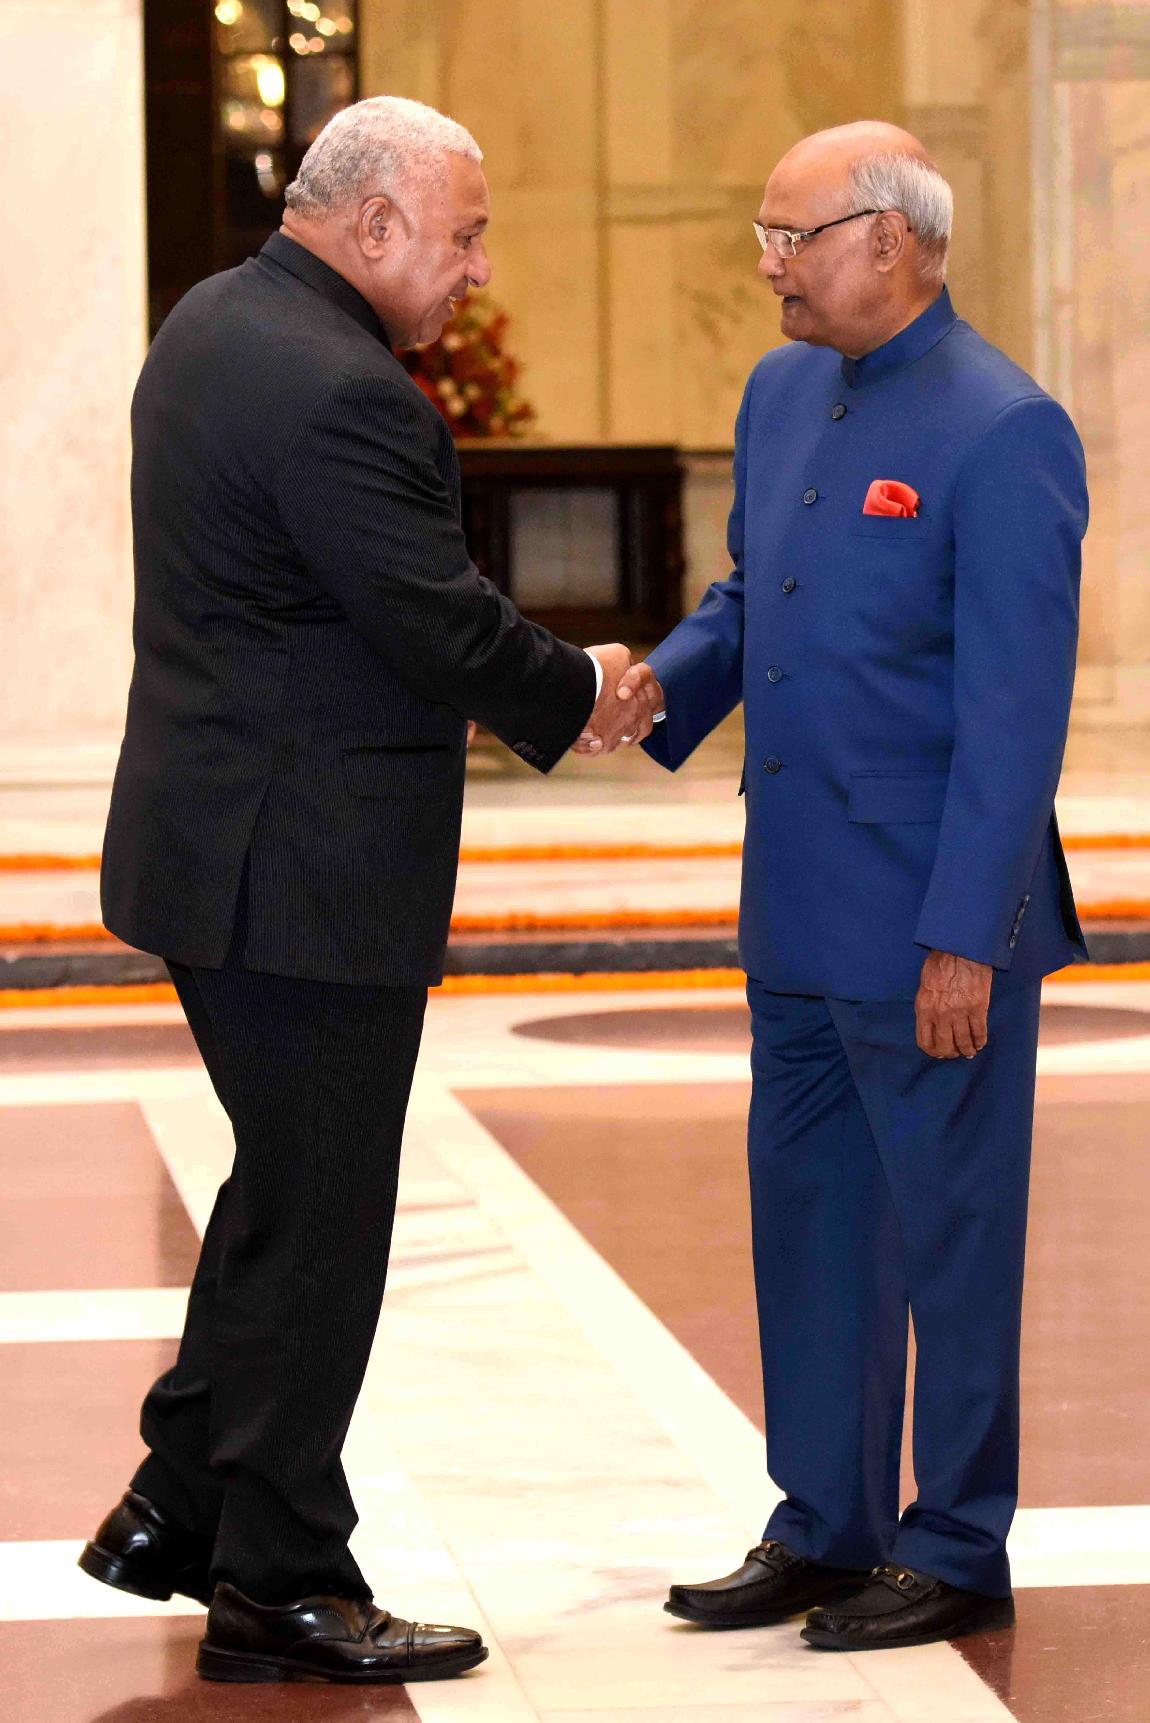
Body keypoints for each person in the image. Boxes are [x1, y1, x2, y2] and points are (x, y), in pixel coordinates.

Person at [81, 95, 662, 1686]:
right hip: (305, 871)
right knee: (321, 1227)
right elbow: (431, 618)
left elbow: (320, 605)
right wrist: (583, 689)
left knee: (283, 1193)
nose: (479, 268)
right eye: (464, 235)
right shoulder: (344, 387)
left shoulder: (213, 320)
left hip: (220, 845)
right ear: (376, 221)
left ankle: (176, 1501)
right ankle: (280, 1585)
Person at [628, 121, 1088, 1650]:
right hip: (796, 901)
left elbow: (1013, 715)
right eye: (764, 234)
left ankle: (952, 1539)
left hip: (928, 918)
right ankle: (823, 1522)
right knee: (810, 1223)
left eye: (792, 235)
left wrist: (968, 935)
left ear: (889, 239)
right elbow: (751, 594)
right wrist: (659, 687)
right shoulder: (778, 394)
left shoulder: (1004, 428)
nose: (767, 264)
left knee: (951, 1236)